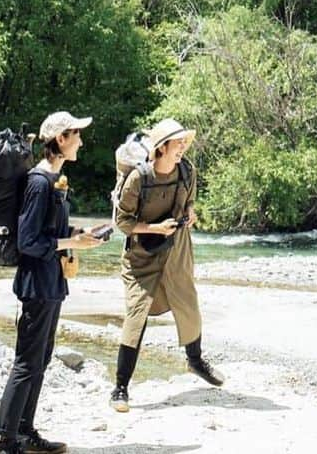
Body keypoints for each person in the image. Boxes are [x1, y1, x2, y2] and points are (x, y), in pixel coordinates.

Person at [0, 112, 108, 454]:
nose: (82, 142)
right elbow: (28, 241)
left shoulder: (55, 181)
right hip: (36, 284)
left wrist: (79, 235)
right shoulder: (39, 182)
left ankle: (25, 433)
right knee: (27, 362)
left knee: (40, 359)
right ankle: (7, 441)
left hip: (51, 282)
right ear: (61, 139)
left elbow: (49, 232)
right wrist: (73, 244)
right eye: (77, 135)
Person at [109, 117, 223, 412]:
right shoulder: (138, 179)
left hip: (178, 247)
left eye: (185, 141)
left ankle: (195, 362)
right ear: (161, 148)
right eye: (178, 142)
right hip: (140, 255)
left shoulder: (187, 171)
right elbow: (122, 222)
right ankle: (120, 388)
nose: (183, 146)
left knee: (188, 303)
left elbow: (190, 203)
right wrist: (154, 229)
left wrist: (191, 216)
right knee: (137, 316)